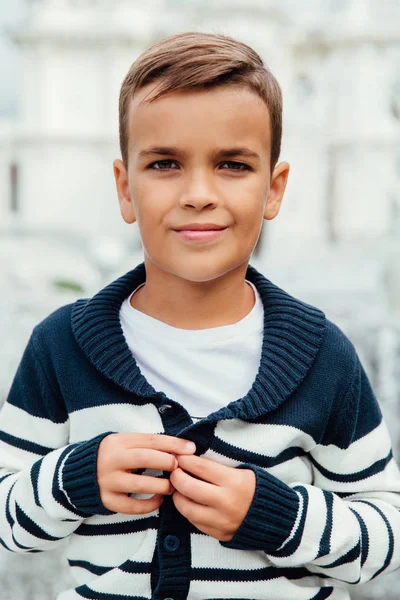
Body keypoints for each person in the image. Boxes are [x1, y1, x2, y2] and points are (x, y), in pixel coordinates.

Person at [1, 31, 399, 600]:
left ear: (273, 188)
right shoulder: (61, 347)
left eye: (233, 165)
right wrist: (73, 481)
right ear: (125, 188)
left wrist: (280, 517)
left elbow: (385, 531)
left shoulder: (321, 355)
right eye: (165, 163)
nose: (198, 193)